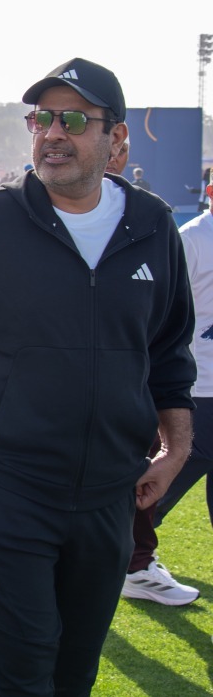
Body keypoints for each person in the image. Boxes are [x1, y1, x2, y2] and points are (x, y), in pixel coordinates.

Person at [0, 57, 195, 696]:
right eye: (41, 118)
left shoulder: (152, 225)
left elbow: (166, 351)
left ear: (117, 138)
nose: (53, 132)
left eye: (73, 119)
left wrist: (177, 444)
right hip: (6, 488)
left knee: (74, 671)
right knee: (21, 672)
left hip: (110, 491)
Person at [121, 176, 213, 608]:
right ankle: (128, 554)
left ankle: (131, 553)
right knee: (174, 467)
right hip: (196, 385)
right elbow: (162, 314)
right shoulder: (190, 239)